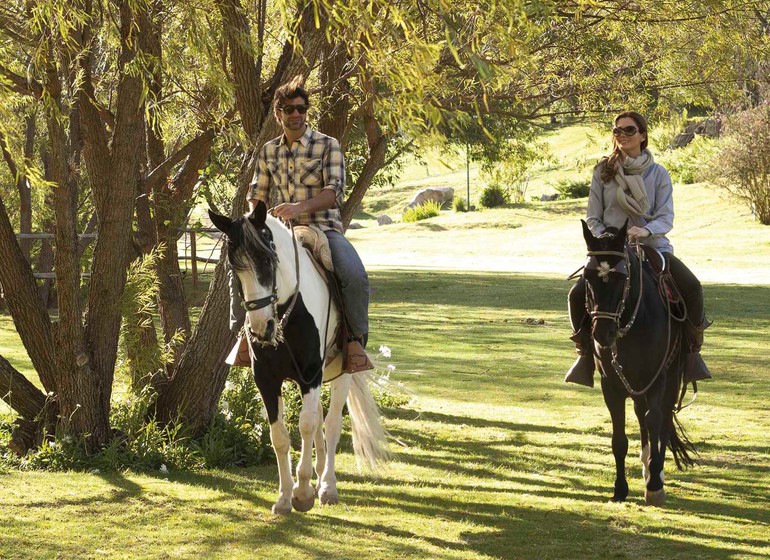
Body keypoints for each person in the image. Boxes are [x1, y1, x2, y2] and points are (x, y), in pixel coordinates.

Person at [229, 76, 372, 372]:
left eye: (301, 108)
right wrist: (256, 221)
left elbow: (333, 193)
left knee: (353, 274)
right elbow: (257, 194)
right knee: (240, 264)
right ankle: (243, 336)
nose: (295, 114)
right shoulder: (268, 151)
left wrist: (298, 208)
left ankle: (353, 343)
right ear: (278, 113)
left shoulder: (327, 146)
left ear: (306, 111)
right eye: (289, 109)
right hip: (280, 233)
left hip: (323, 229)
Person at [565, 111, 711, 387]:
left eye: (628, 130)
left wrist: (645, 230)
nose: (621, 135)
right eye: (617, 130)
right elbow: (593, 217)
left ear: (642, 135)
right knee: (576, 294)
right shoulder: (602, 172)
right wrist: (605, 238)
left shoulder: (658, 174)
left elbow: (666, 217)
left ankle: (692, 353)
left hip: (651, 246)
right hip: (610, 252)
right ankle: (584, 355)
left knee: (692, 287)